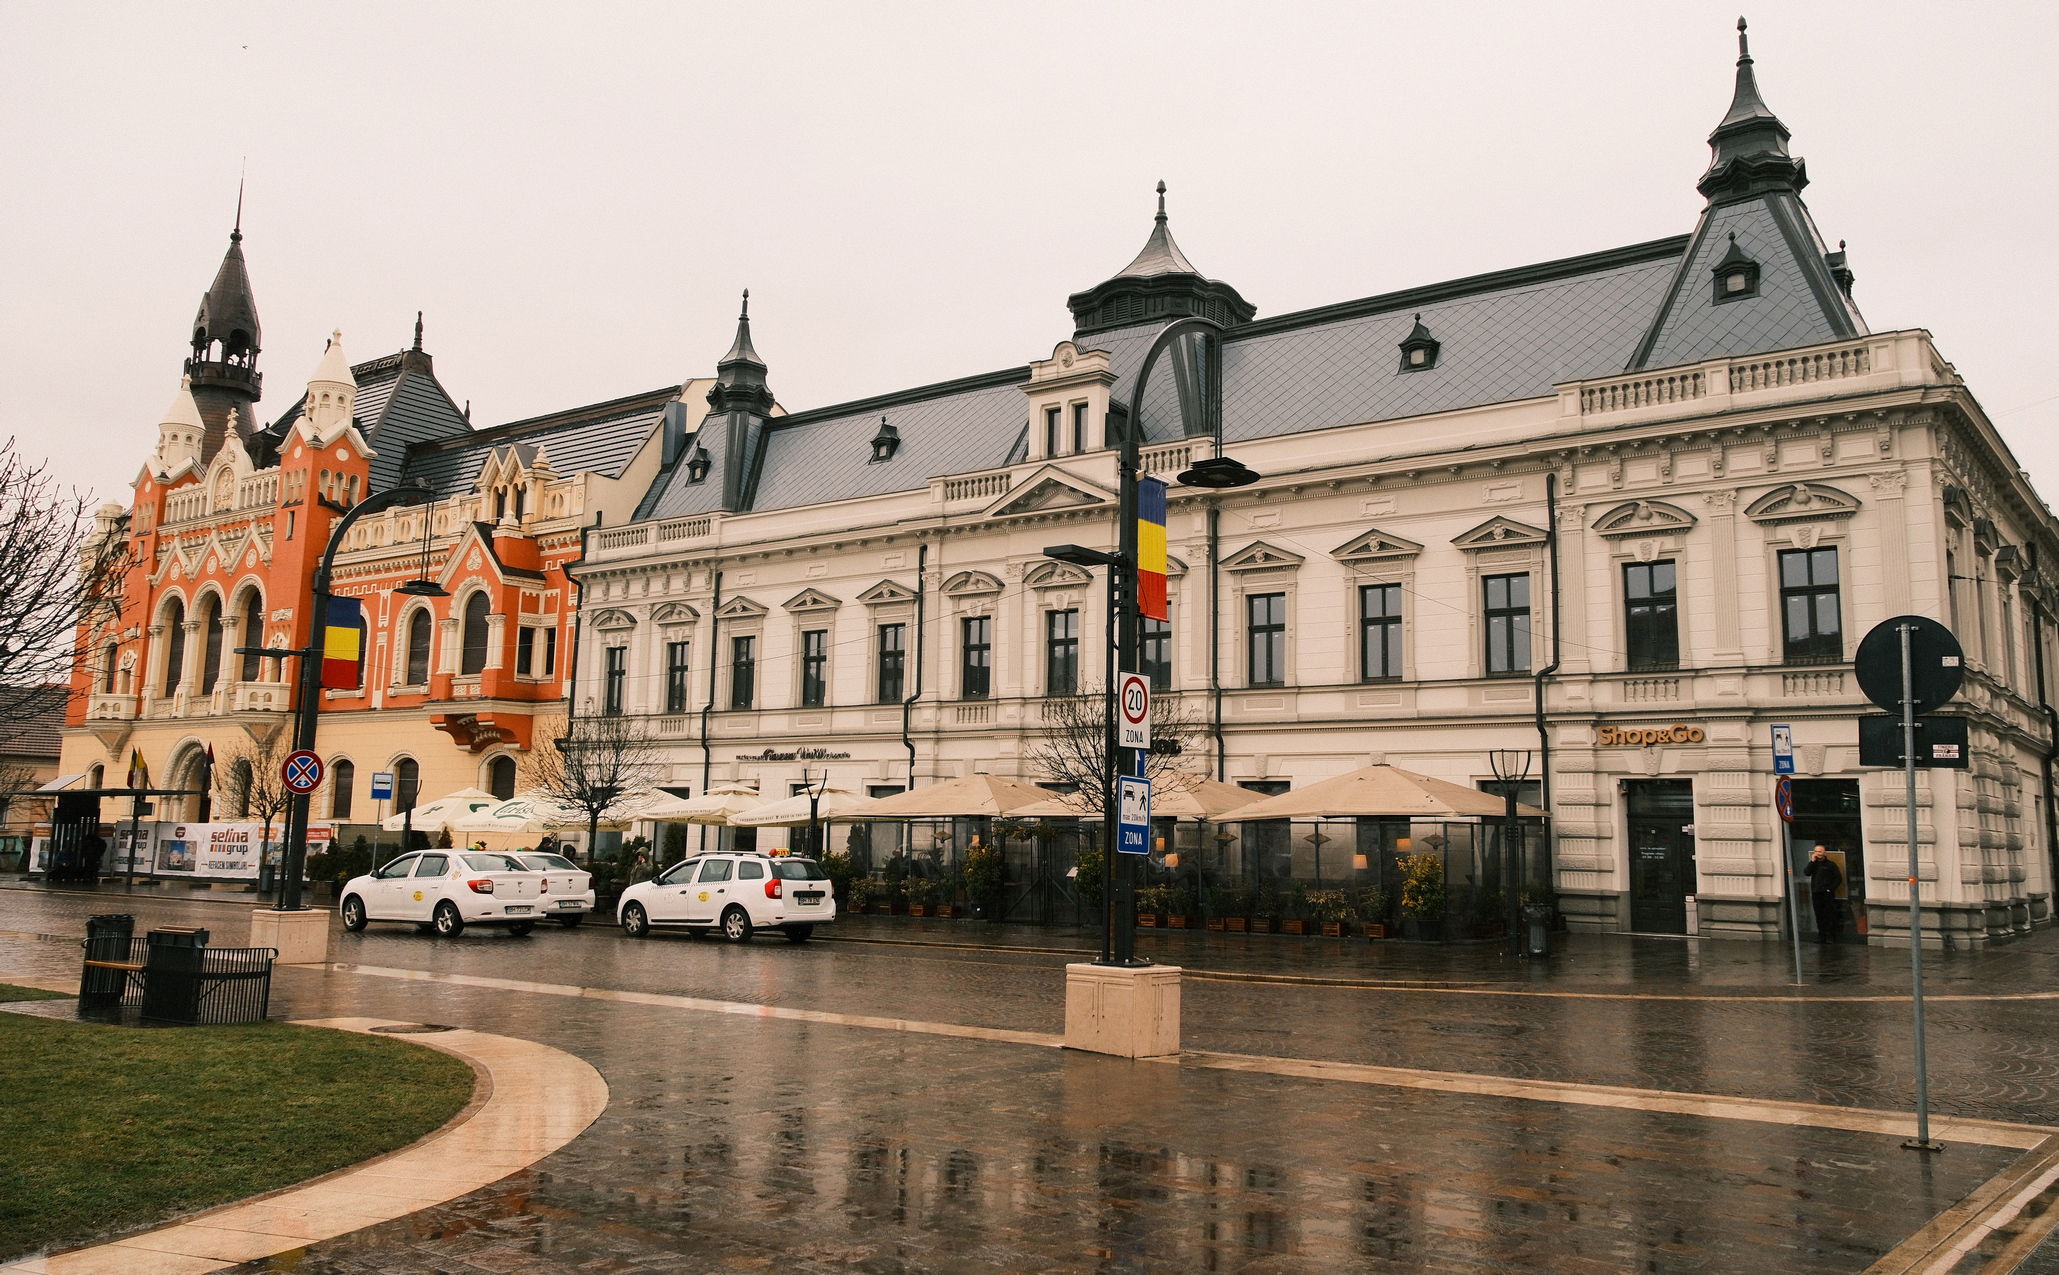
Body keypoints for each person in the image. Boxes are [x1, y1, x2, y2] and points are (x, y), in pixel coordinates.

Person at [1803, 845, 1843, 943]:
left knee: (1829, 914)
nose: (1818, 854)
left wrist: (1830, 889)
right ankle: (1821, 936)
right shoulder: (1814, 864)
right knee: (1819, 915)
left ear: (1824, 853)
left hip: (1827, 894)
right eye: (1816, 851)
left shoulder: (1830, 864)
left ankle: (1830, 937)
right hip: (1816, 893)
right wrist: (1812, 861)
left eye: (1820, 851)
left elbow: (1838, 878)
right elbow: (1807, 872)